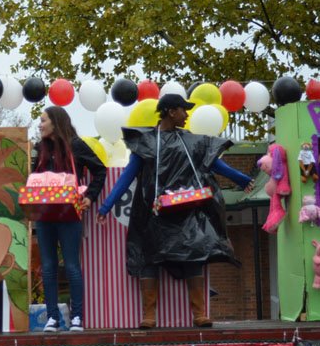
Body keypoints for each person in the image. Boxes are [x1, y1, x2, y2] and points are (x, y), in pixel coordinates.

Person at [97, 94, 254, 329]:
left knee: (194, 255)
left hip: (186, 212)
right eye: (184, 109)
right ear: (171, 112)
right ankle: (148, 316)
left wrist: (242, 179)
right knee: (149, 257)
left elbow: (214, 162)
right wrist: (106, 205)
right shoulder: (147, 141)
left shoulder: (190, 140)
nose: (187, 114)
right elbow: (128, 175)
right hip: (153, 214)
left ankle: (199, 314)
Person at [35, 106, 107, 332]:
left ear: (55, 122)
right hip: (44, 215)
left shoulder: (76, 145)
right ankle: (52, 318)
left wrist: (89, 197)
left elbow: (100, 170)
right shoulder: (40, 148)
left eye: (43, 120)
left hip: (69, 215)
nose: (40, 125)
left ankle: (77, 317)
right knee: (48, 266)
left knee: (72, 265)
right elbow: (33, 178)